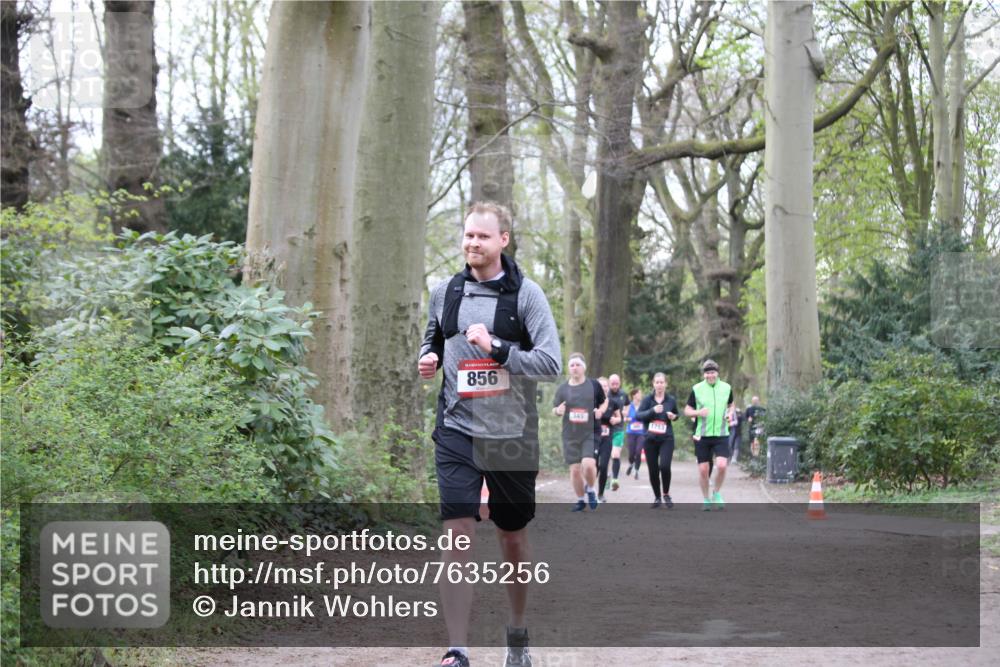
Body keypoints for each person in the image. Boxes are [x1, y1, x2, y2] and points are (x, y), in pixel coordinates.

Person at [418, 201, 561, 667]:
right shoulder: (445, 292)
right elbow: (433, 336)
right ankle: (457, 649)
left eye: (483, 236)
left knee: (512, 539)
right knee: (457, 532)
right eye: (468, 235)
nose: (472, 243)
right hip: (457, 427)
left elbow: (550, 363)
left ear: (503, 240)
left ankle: (517, 635)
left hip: (512, 434)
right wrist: (430, 358)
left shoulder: (527, 297)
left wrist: (497, 348)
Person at [553, 353, 604, 512]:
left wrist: (600, 411)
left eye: (577, 365)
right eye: (572, 365)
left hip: (590, 431)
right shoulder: (563, 388)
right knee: (575, 470)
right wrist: (558, 411)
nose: (574, 368)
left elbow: (605, 401)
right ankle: (581, 500)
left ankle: (590, 489)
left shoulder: (594, 385)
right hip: (570, 434)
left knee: (588, 465)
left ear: (584, 367)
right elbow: (555, 408)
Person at [684, 359, 735, 511]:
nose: (710, 375)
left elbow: (731, 404)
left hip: (721, 433)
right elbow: (687, 410)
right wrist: (698, 412)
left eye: (712, 372)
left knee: (722, 465)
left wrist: (730, 413)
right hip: (702, 435)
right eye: (707, 373)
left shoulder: (726, 388)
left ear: (717, 373)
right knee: (703, 470)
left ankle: (716, 493)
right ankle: (706, 499)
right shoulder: (697, 389)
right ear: (704, 374)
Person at [635, 373, 679, 509]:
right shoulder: (648, 400)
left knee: (665, 466)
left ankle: (666, 493)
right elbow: (638, 416)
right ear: (653, 384)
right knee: (653, 470)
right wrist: (652, 410)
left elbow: (677, 414)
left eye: (662, 382)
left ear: (666, 384)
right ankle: (657, 497)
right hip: (650, 439)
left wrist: (674, 416)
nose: (659, 385)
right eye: (657, 382)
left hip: (666, 438)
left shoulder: (671, 400)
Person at [606, 374, 628, 492]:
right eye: (612, 383)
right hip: (606, 429)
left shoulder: (623, 394)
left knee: (615, 455)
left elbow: (628, 405)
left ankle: (615, 479)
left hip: (618, 429)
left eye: (617, 383)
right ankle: (607, 476)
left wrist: (625, 412)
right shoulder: (605, 394)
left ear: (620, 383)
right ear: (609, 383)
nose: (614, 386)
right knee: (606, 456)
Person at [624, 388, 645, 480]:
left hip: (641, 432)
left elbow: (647, 415)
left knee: (638, 451)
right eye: (640, 393)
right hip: (631, 432)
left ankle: (636, 471)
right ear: (634, 395)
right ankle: (631, 464)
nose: (641, 395)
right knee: (631, 453)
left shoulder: (643, 406)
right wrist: (629, 419)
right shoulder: (629, 406)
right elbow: (624, 418)